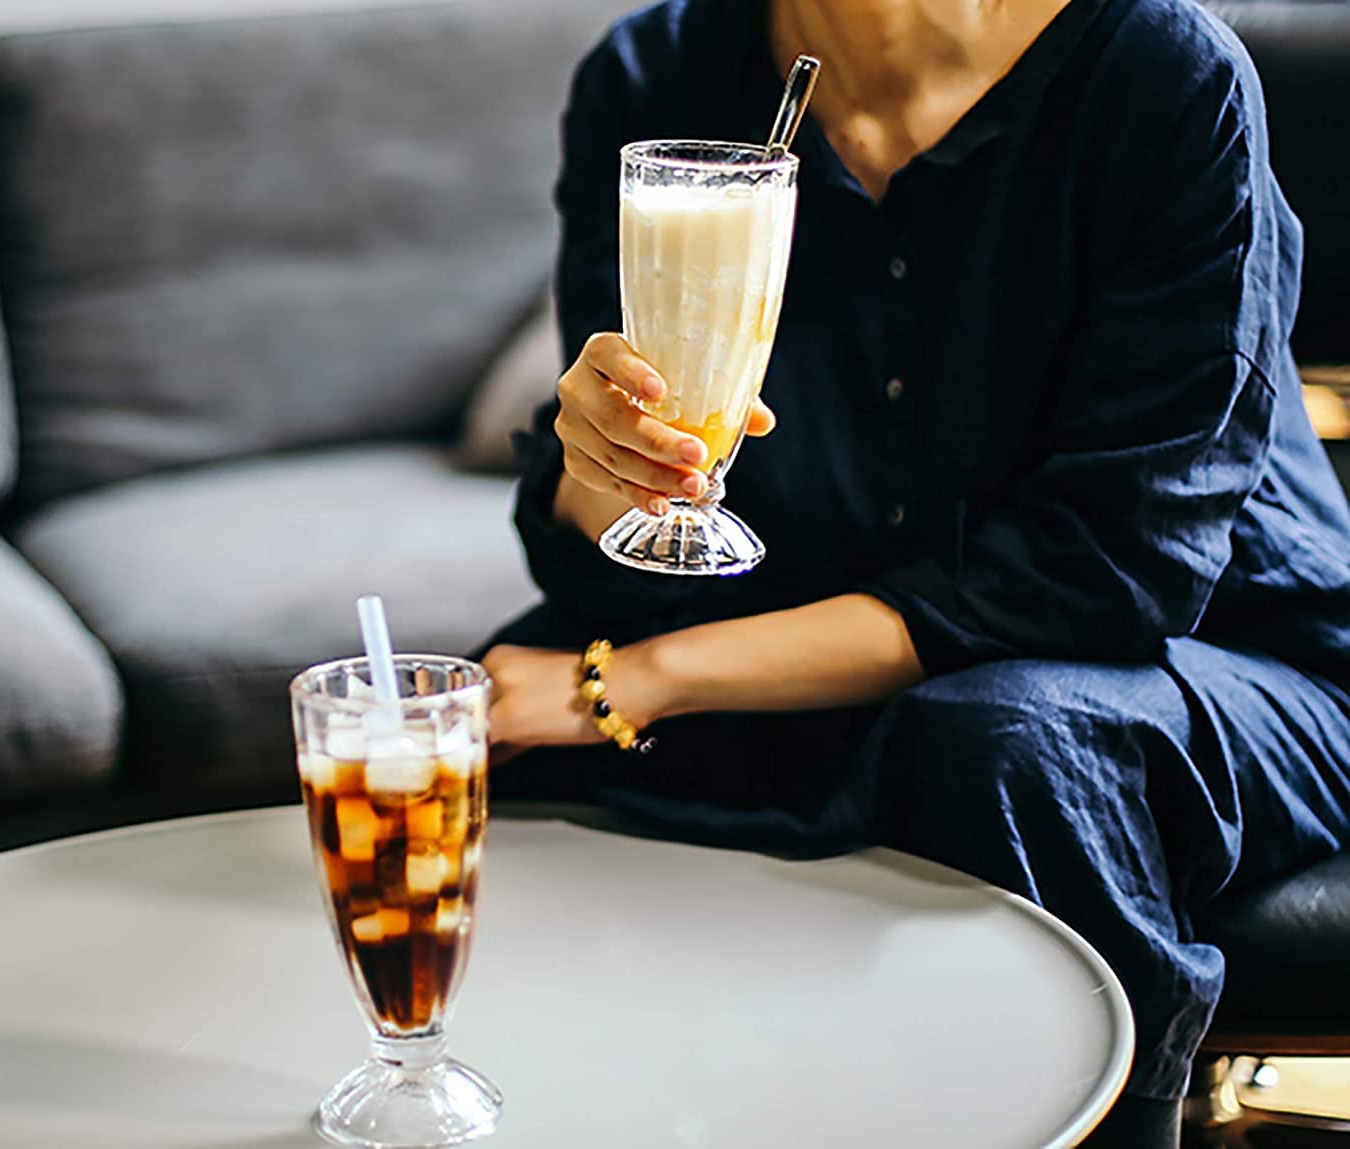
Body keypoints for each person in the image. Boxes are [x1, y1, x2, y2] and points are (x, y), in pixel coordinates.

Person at [479, 0, 1350, 1142]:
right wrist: (604, 453)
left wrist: (638, 680)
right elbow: (625, 546)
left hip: (1223, 660)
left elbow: (1103, 578)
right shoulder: (657, 74)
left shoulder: (1162, 73)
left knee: (1005, 741)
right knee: (470, 737)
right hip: (822, 624)